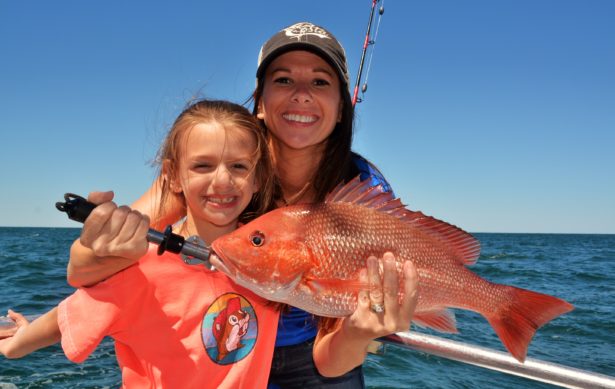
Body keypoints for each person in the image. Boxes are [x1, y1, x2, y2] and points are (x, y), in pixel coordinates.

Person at [66, 22, 419, 388]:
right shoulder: (221, 164)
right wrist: (101, 243)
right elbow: (80, 269)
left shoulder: (364, 186)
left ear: (343, 108)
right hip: (224, 343)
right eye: (283, 80)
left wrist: (362, 330)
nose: (301, 94)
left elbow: (331, 362)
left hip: (318, 353)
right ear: (260, 100)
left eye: (320, 82)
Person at [0, 99, 281, 388]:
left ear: (258, 177)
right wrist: (18, 344)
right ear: (172, 176)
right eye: (203, 165)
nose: (223, 179)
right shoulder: (142, 266)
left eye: (238, 166)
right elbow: (74, 312)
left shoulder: (276, 256)